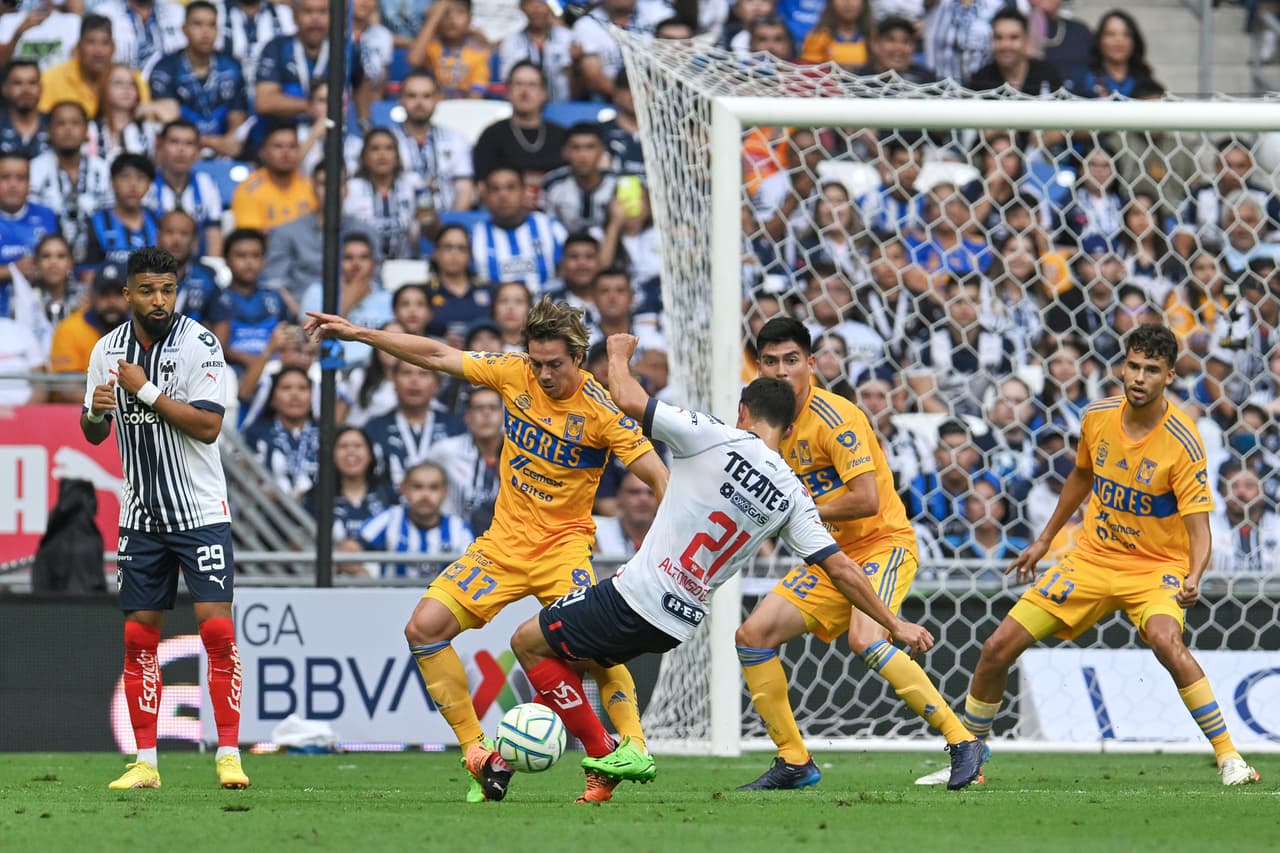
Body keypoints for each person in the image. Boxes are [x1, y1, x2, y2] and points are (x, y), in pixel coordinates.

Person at [508, 333, 937, 802]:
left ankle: (606, 748)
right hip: (680, 622)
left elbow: (627, 397)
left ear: (743, 412)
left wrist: (617, 351)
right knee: (582, 663)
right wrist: (894, 622)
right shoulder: (794, 496)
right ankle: (602, 772)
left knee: (527, 643)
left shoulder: (713, 435)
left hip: (637, 594)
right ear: (790, 429)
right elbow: (842, 570)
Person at [304, 297, 669, 804]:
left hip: (563, 549)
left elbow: (657, 477)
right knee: (423, 630)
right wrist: (359, 333)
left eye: (554, 365)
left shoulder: (602, 411)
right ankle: (479, 754)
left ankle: (627, 748)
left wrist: (667, 549)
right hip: (501, 545)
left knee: (591, 648)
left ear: (580, 359)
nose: (542, 374)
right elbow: (435, 355)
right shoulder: (512, 373)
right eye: (537, 362)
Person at [915, 325, 1262, 788]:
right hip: (1092, 558)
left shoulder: (1183, 439)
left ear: (1169, 377)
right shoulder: (1097, 415)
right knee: (997, 647)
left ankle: (1229, 757)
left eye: (1151, 370)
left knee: (1165, 641)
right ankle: (968, 760)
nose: (1138, 377)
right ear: (1122, 366)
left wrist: (1194, 575)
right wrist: (1043, 541)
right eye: (1133, 366)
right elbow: (1080, 476)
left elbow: (1200, 528)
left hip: (1156, 568)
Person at [730, 318, 982, 790]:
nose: (782, 371)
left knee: (866, 638)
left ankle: (963, 741)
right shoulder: (760, 421)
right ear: (758, 366)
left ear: (811, 363)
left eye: (791, 361)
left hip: (881, 545)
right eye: (770, 362)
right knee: (752, 634)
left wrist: (797, 508)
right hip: (829, 557)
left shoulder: (837, 418)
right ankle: (794, 762)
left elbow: (866, 498)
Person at [79, 245, 248, 791]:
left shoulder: (200, 344)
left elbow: (206, 427)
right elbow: (94, 433)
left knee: (218, 631)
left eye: (167, 290)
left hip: (199, 510)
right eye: (147, 290)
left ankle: (227, 752)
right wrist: (96, 411)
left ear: (178, 291)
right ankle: (146, 762)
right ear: (127, 294)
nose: (158, 300)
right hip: (141, 515)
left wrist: (144, 390)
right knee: (138, 639)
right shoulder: (106, 350)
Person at [340, 459, 474, 579]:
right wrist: (368, 578)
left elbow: (473, 571)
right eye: (417, 486)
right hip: (393, 602)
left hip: (443, 604)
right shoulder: (391, 518)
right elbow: (347, 550)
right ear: (404, 489)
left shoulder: (458, 529)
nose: (425, 495)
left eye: (433, 487)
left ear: (444, 492)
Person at [148, 0, 249, 159]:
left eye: (211, 25)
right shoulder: (166, 68)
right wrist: (209, 143)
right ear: (184, 29)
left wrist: (227, 142)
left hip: (224, 153)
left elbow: (237, 119)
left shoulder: (231, 67)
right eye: (198, 24)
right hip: (180, 152)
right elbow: (169, 121)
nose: (205, 32)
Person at [471, 167, 567, 295]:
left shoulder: (551, 228)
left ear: (524, 191)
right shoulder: (475, 237)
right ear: (486, 196)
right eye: (495, 189)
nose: (503, 195)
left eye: (511, 187)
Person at [145, 120, 225, 257]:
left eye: (189, 144)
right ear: (161, 146)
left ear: (197, 151)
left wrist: (213, 266)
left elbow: (214, 233)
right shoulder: (147, 184)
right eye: (174, 142)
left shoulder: (206, 184)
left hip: (196, 267)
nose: (181, 150)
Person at [965, 7, 1063, 95]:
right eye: (998, 37)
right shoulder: (980, 81)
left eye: (1014, 37)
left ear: (1026, 40)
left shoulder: (1047, 74)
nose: (1005, 45)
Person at [0, 59, 48, 158]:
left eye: (32, 83)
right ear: (5, 89)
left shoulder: (55, 124)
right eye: (18, 83)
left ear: (41, 88)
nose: (26, 90)